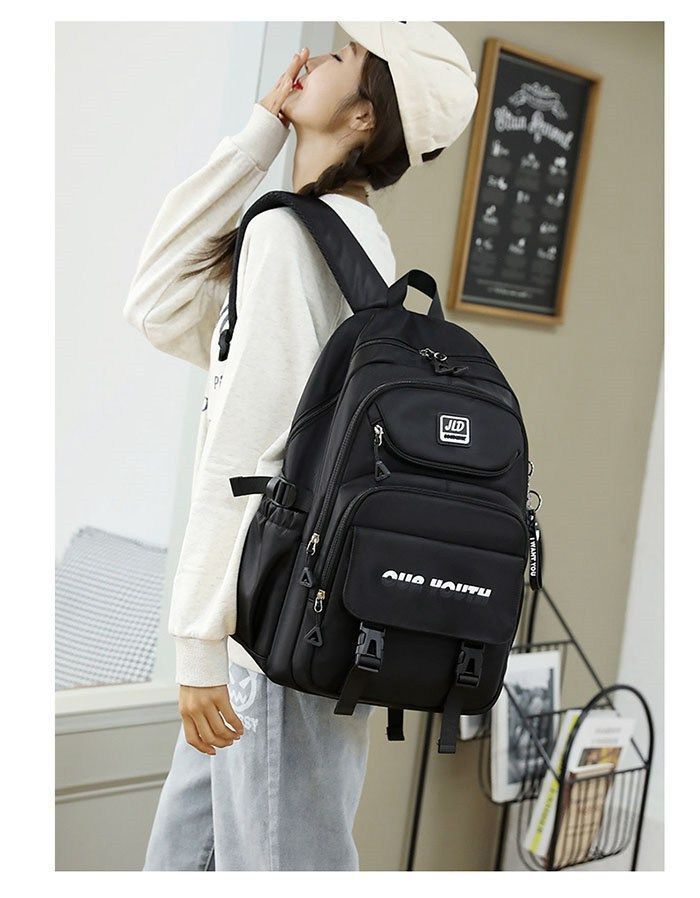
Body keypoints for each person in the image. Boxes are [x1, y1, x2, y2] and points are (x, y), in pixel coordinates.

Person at [123, 21, 478, 872]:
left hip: (269, 622)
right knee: (188, 863)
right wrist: (260, 135)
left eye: (343, 56)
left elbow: (244, 450)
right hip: (300, 613)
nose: (313, 57)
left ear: (365, 115)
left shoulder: (295, 239)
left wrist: (198, 642)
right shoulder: (352, 245)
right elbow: (160, 303)